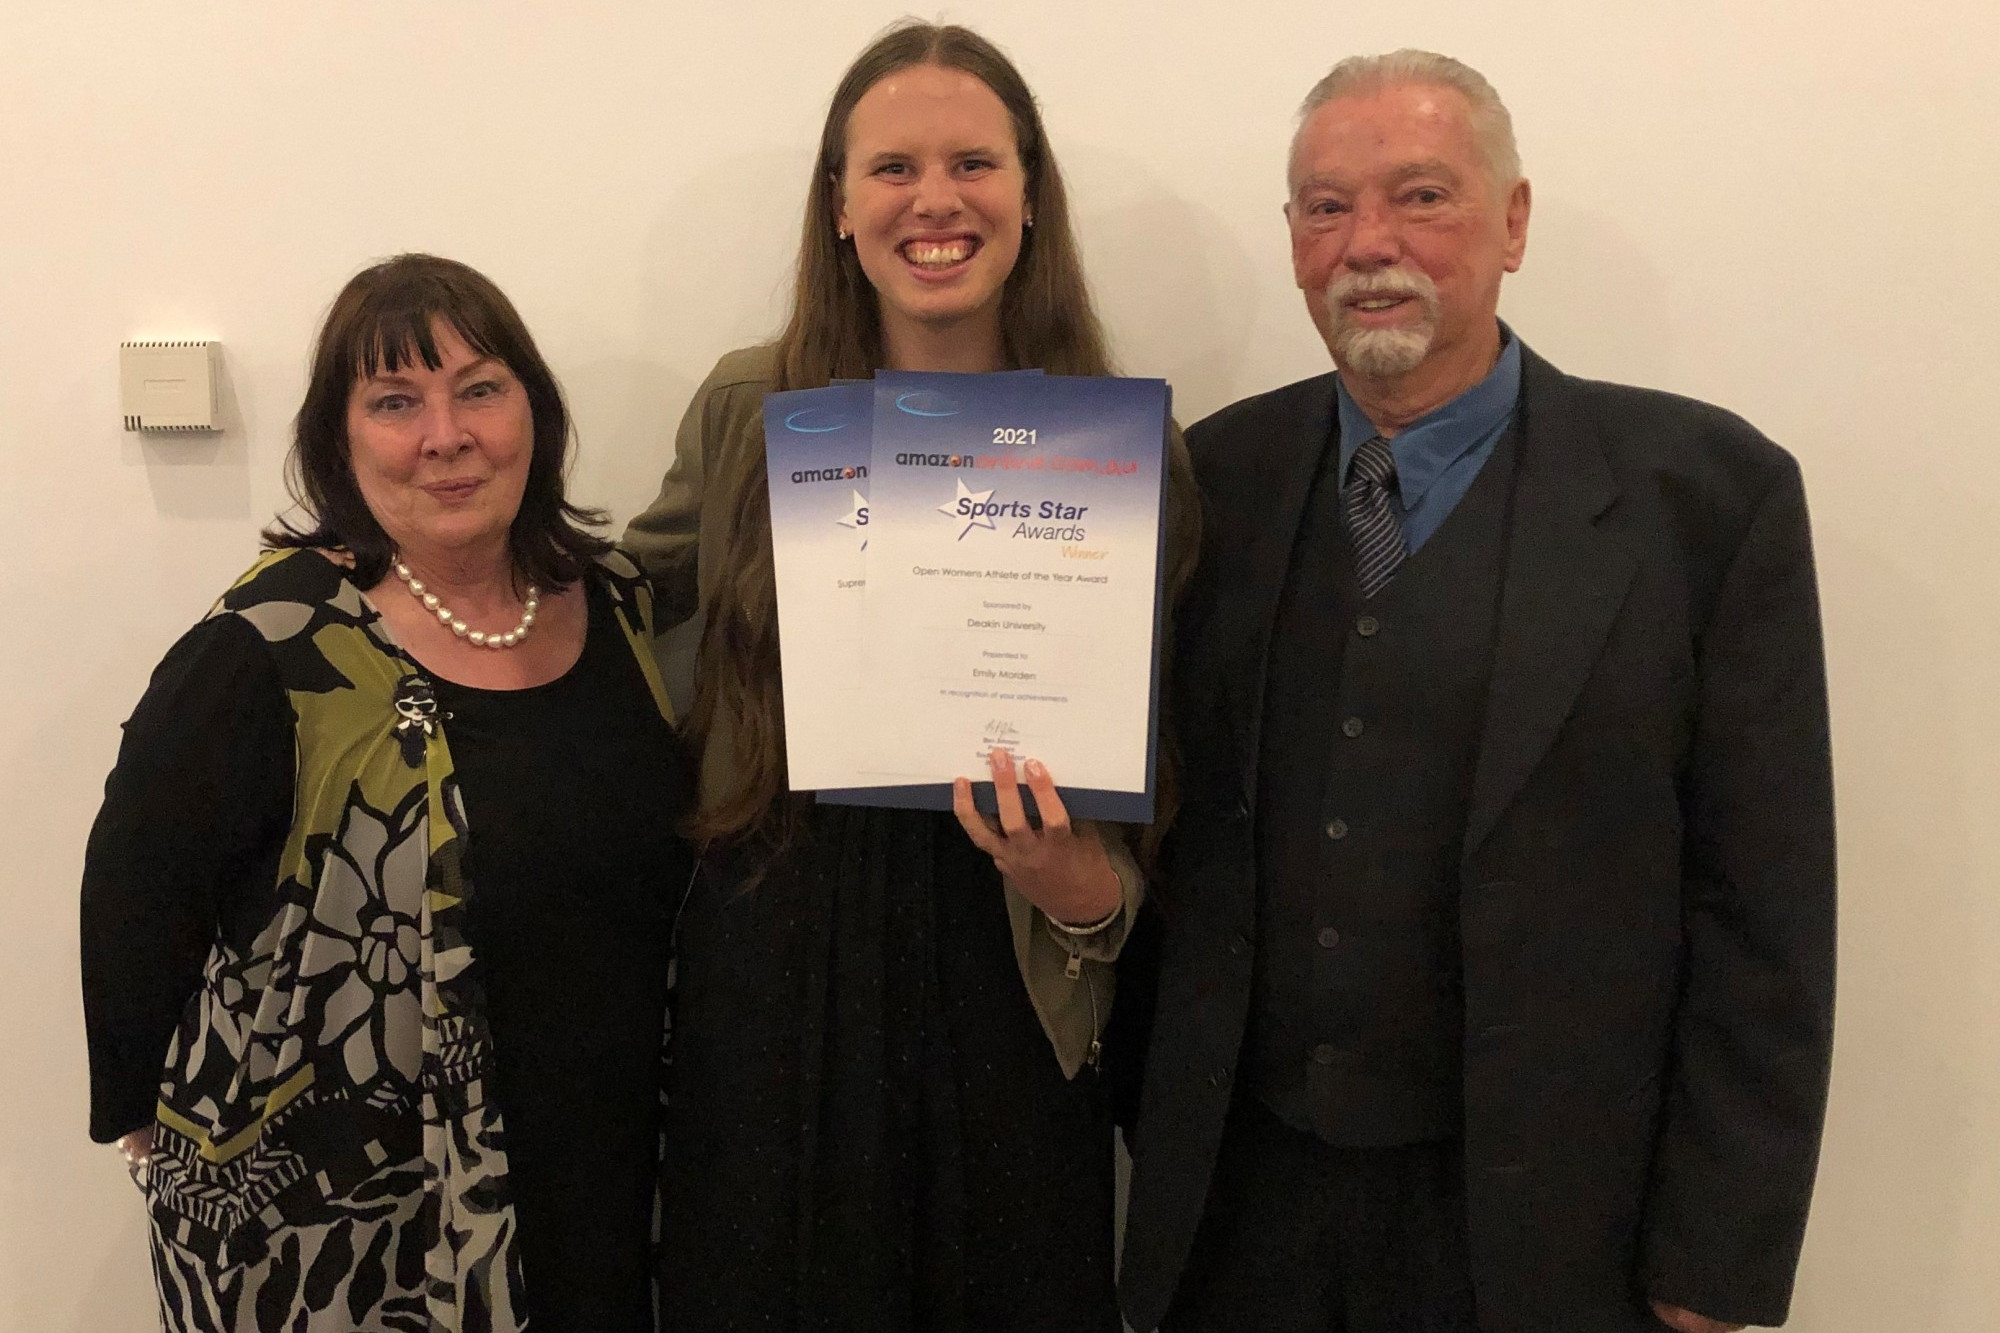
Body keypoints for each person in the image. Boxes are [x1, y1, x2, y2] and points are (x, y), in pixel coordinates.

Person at [1114, 50, 1836, 1333]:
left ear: (1511, 222)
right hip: (1242, 1215)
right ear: (1291, 240)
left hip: (1552, 1230)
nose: (1366, 243)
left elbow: (1762, 905)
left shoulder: (1708, 499)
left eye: (1421, 196)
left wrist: (1715, 1259)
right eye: (1323, 206)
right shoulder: (1208, 476)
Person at [623, 21, 1197, 1332]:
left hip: (1006, 956)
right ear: (838, 204)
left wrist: (1088, 895)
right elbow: (626, 621)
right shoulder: (747, 409)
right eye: (891, 167)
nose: (934, 200)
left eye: (974, 163)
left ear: (1029, 195)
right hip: (774, 944)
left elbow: (1168, 765)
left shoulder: (1122, 445)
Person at [80, 254, 692, 1333]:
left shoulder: (617, 605)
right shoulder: (272, 645)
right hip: (348, 1214)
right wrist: (141, 1115)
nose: (445, 435)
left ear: (534, 414)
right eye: (396, 401)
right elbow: (136, 878)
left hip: (601, 1164)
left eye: (480, 389)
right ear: (340, 439)